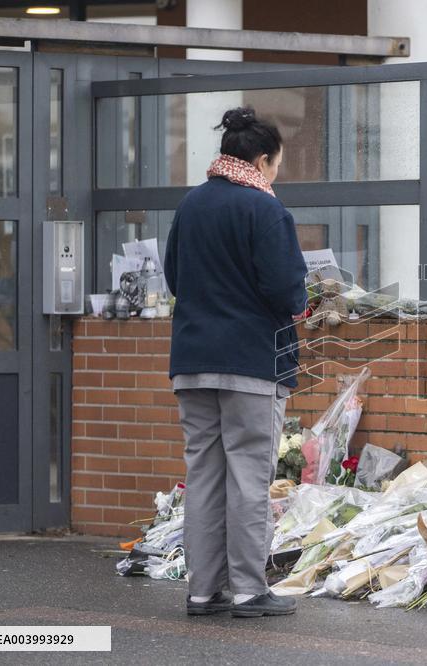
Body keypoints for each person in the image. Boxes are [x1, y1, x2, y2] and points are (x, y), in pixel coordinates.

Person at [164, 106, 308, 618]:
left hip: (193, 359)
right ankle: (249, 590)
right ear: (263, 160)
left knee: (202, 473)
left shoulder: (191, 206)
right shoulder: (266, 210)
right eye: (277, 165)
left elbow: (175, 279)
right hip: (251, 361)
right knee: (249, 475)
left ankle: (203, 591)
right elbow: (288, 289)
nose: (276, 175)